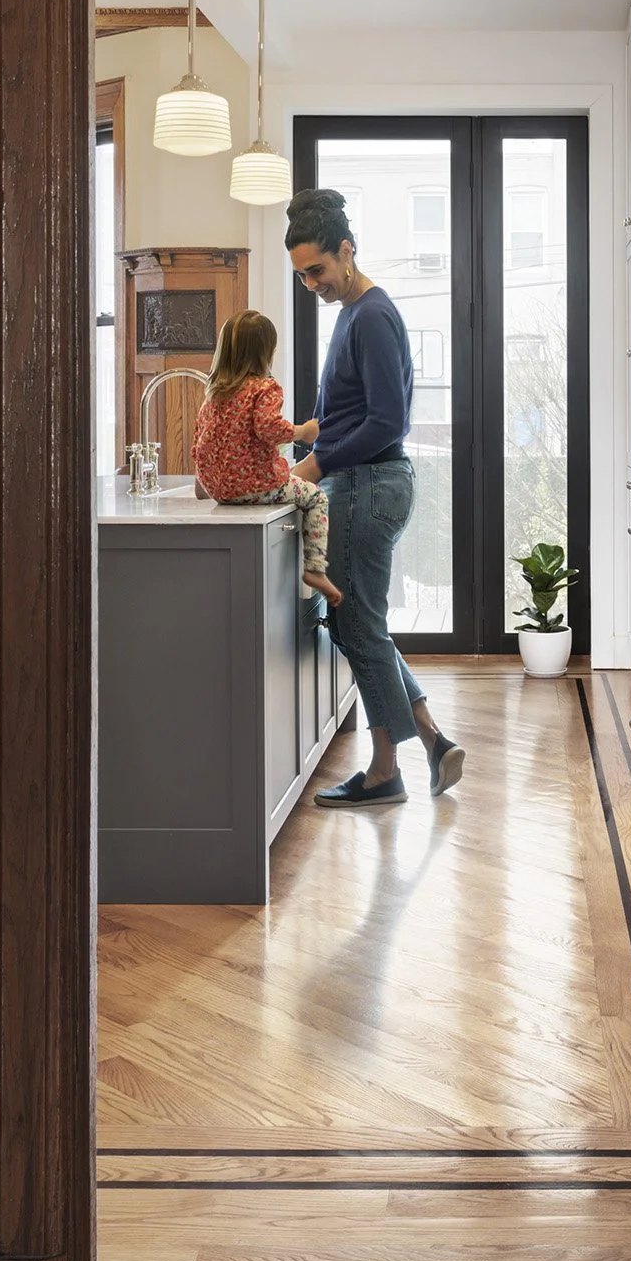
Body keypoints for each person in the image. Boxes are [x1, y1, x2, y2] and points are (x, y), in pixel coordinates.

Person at [284, 187, 465, 807]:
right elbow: (352, 412)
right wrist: (303, 431)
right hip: (363, 483)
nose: (311, 284)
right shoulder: (353, 315)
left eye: (317, 270)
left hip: (368, 485)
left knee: (357, 625)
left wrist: (316, 463)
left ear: (347, 250)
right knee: (360, 623)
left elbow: (389, 421)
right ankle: (432, 741)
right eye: (302, 275)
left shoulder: (372, 315)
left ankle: (387, 770)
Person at [194, 309, 342, 607]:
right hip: (257, 486)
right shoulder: (265, 388)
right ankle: (315, 568)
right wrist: (304, 431)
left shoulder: (215, 394)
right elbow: (268, 427)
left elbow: (200, 443)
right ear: (267, 353)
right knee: (316, 497)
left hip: (221, 491)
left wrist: (204, 483)